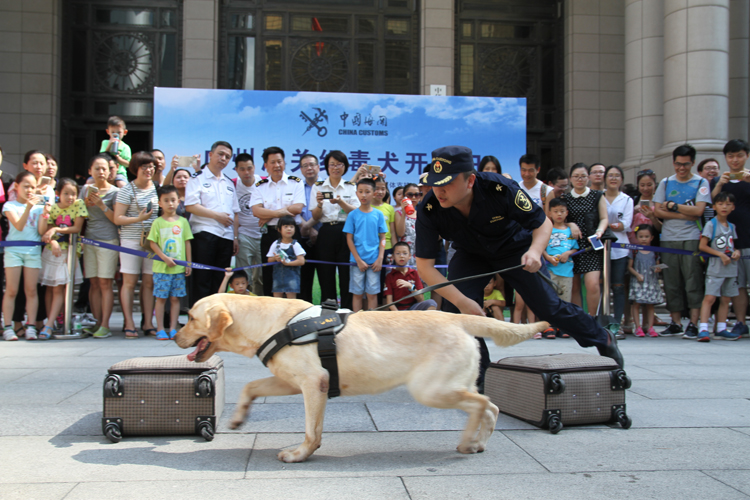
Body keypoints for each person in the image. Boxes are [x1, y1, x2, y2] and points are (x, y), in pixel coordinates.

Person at [415, 146, 623, 392]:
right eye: (435, 183)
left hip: (514, 247)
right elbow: (425, 267)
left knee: (548, 307)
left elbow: (542, 224)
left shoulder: (499, 188)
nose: (439, 190)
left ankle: (602, 338)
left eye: (447, 183)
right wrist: (462, 302)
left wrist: (535, 252)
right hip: (470, 252)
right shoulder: (429, 208)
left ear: (470, 180)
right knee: (455, 310)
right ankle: (479, 374)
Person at [653, 144, 711, 338]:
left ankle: (694, 323)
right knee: (671, 281)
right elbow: (658, 210)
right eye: (678, 164)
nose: (681, 168)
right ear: (673, 163)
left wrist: (672, 207)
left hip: (692, 239)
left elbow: (699, 211)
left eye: (686, 164)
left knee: (693, 280)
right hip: (668, 238)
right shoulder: (666, 183)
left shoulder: (701, 182)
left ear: (692, 163)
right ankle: (675, 322)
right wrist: (682, 214)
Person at [185, 141, 240, 304]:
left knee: (220, 280)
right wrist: (217, 216)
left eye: (227, 157)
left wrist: (235, 238)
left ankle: (216, 321)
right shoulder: (197, 178)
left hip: (226, 237)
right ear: (210, 154)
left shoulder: (229, 183)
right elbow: (191, 206)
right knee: (202, 280)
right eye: (220, 154)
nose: (223, 158)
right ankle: (200, 322)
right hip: (205, 234)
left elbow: (235, 213)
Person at [114, 151, 159, 339]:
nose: (149, 170)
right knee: (129, 283)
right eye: (144, 167)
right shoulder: (126, 190)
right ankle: (129, 323)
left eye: (151, 166)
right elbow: (117, 218)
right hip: (131, 240)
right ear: (135, 169)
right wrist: (138, 218)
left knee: (149, 283)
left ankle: (148, 323)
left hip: (152, 242)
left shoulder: (157, 188)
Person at [251, 146, 305, 297]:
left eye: (280, 161)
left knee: (293, 274)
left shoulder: (296, 183)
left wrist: (269, 215)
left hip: (291, 233)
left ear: (284, 163)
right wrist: (280, 212)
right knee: (270, 274)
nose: (277, 165)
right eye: (273, 162)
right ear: (266, 166)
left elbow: (298, 208)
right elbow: (256, 211)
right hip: (270, 234)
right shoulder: (260, 186)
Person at [38, 178, 87, 340]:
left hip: (69, 252)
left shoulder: (79, 205)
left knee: (59, 288)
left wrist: (56, 230)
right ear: (58, 194)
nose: (70, 197)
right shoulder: (52, 208)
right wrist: (52, 239)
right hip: (52, 252)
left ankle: (49, 324)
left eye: (73, 193)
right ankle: (52, 321)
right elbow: (45, 231)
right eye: (66, 193)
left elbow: (77, 228)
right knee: (51, 288)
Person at [710, 139, 750, 338]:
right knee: (739, 285)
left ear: (747, 156)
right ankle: (741, 322)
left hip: (749, 238)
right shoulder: (719, 180)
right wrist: (720, 184)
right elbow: (711, 203)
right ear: (725, 158)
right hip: (730, 243)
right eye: (731, 156)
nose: (735, 160)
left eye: (739, 155)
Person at [309, 150, 358, 307]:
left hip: (346, 232)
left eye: (339, 164)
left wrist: (341, 202)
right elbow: (316, 216)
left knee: (346, 275)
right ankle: (327, 314)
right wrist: (319, 204)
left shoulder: (351, 187)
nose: (335, 168)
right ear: (327, 167)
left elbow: (356, 211)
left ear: (344, 167)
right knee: (326, 275)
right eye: (332, 165)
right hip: (326, 232)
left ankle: (347, 312)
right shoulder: (318, 187)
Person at [2, 172, 46, 341]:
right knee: (12, 290)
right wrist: (28, 206)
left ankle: (31, 326)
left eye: (33, 187)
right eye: (26, 186)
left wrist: (46, 213)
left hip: (33, 250)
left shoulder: (39, 207)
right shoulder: (9, 206)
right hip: (13, 250)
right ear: (17, 186)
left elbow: (41, 231)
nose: (29, 190)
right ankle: (8, 327)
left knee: (31, 290)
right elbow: (19, 226)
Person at [80, 154, 119, 338]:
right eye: (97, 168)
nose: (101, 172)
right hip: (89, 240)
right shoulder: (85, 190)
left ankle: (105, 324)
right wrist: (86, 204)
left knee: (105, 283)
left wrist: (102, 205)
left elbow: (116, 220)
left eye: (104, 168)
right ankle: (97, 322)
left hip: (108, 241)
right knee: (93, 282)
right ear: (90, 171)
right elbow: (79, 215)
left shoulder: (115, 192)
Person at [562, 163, 609, 316]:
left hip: (592, 244)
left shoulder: (597, 196)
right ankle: (580, 320)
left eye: (583, 176)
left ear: (588, 178)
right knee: (574, 286)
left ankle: (593, 318)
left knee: (593, 284)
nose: (579, 179)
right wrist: (570, 224)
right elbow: (559, 219)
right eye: (576, 176)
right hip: (571, 245)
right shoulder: (566, 198)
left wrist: (599, 231)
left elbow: (604, 218)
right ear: (570, 179)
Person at [148, 185, 193, 341]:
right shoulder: (157, 222)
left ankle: (173, 329)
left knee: (175, 299)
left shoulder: (183, 222)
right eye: (166, 200)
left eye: (173, 200)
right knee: (161, 299)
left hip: (178, 270)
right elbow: (152, 243)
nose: (170, 204)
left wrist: (188, 263)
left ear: (178, 201)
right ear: (160, 203)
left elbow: (187, 242)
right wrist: (164, 258)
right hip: (161, 269)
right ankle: (160, 328)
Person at [697, 191, 741, 342]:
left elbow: (733, 246)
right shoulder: (711, 224)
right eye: (721, 204)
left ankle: (721, 327)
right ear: (714, 206)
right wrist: (720, 254)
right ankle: (703, 328)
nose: (724, 207)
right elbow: (702, 246)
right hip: (716, 268)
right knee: (709, 298)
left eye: (728, 204)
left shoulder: (731, 226)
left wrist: (736, 252)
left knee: (726, 298)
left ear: (733, 207)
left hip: (730, 268)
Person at [344, 177, 387, 312]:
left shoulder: (379, 214)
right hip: (357, 262)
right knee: (357, 293)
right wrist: (358, 259)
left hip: (374, 261)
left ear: (374, 193)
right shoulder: (352, 215)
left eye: (367, 191)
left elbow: (383, 237)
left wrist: (380, 258)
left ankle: (371, 320)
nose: (363, 195)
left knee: (372, 293)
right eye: (360, 191)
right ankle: (357, 320)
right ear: (356, 193)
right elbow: (349, 239)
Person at [603, 165, 634, 338]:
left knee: (618, 286)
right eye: (610, 175)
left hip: (620, 248)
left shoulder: (627, 200)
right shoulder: (599, 197)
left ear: (621, 179)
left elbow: (626, 225)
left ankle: (617, 323)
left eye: (617, 176)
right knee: (602, 287)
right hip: (601, 248)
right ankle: (602, 322)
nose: (613, 178)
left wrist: (606, 225)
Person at [542, 198, 579, 334]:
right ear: (550, 213)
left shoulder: (570, 231)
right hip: (550, 270)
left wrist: (568, 253)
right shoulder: (547, 229)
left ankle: (564, 327)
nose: (559, 214)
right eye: (555, 211)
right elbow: (541, 247)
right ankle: (549, 326)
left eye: (562, 211)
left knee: (565, 301)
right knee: (550, 299)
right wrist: (548, 258)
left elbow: (575, 248)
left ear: (566, 213)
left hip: (566, 271)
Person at [233, 153, 263, 296]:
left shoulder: (264, 182)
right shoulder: (232, 185)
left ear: (254, 168)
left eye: (249, 168)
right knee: (244, 276)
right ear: (236, 170)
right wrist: (235, 237)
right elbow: (234, 213)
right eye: (242, 169)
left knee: (262, 276)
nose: (246, 172)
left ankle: (262, 306)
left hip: (263, 234)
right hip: (244, 234)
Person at [627, 224, 664, 337]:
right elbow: (629, 266)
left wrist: (658, 269)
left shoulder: (655, 252)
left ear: (651, 238)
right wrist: (637, 274)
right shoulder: (634, 251)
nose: (644, 239)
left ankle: (650, 326)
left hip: (651, 281)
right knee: (636, 304)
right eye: (641, 236)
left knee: (650, 305)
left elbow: (658, 265)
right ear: (637, 237)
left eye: (646, 236)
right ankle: (638, 327)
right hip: (638, 281)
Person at [383, 241, 437, 311]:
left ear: (409, 256)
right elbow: (389, 302)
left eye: (405, 253)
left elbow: (421, 299)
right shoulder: (390, 276)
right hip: (398, 311)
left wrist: (410, 286)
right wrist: (398, 315)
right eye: (398, 253)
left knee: (431, 303)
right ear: (393, 256)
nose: (401, 256)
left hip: (413, 308)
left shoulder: (414, 273)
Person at [297, 153, 323, 302]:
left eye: (312, 165)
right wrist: (308, 228)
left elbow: (327, 211)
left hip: (323, 238)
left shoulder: (326, 186)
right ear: (301, 169)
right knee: (304, 281)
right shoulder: (297, 187)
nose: (309, 168)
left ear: (318, 167)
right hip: (302, 238)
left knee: (325, 278)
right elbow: (294, 212)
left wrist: (312, 227)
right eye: (305, 165)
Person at [266, 215, 306, 299]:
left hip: (292, 278)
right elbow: (269, 259)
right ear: (279, 229)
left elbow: (301, 261)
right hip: (277, 278)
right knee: (277, 301)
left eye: (292, 227)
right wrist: (275, 259)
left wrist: (288, 263)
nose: (289, 229)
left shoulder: (295, 245)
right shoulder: (276, 244)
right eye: (286, 227)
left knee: (291, 301)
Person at [373, 176, 397, 303]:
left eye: (383, 189)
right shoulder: (366, 206)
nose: (380, 192)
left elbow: (392, 232)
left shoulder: (389, 208)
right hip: (371, 250)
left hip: (387, 249)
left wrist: (394, 250)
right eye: (377, 188)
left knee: (385, 282)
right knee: (372, 282)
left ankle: (384, 309)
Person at [394, 183, 421, 267]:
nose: (413, 197)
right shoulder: (398, 213)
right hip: (403, 255)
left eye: (417, 195)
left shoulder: (422, 214)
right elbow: (400, 233)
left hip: (419, 253)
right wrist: (404, 212)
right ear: (404, 196)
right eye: (410, 194)